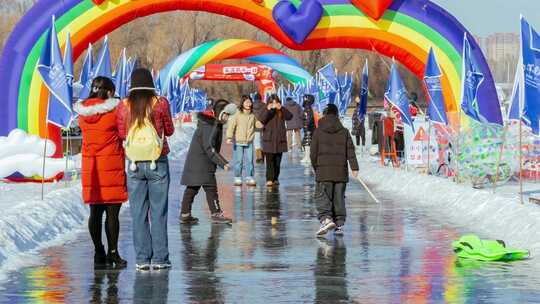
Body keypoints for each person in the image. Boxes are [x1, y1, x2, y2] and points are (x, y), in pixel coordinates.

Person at [116, 68, 175, 271]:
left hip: (133, 162)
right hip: (157, 160)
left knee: (138, 213)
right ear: (151, 83)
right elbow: (170, 130)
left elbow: (122, 133)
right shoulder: (160, 103)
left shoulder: (123, 106)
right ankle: (160, 259)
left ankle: (142, 258)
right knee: (158, 212)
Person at [74, 76, 128, 268]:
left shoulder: (82, 112)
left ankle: (98, 251)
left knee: (94, 212)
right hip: (111, 165)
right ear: (110, 92)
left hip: (92, 167)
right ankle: (113, 253)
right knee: (112, 214)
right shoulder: (115, 110)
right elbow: (123, 133)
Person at [180, 99, 237, 225]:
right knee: (210, 188)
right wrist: (223, 163)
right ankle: (216, 213)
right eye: (226, 114)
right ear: (219, 113)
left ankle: (185, 214)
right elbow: (209, 147)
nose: (227, 118)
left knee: (192, 188)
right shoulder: (210, 126)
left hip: (198, 162)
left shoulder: (213, 124)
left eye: (228, 115)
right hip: (202, 163)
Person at [310, 104, 359, 237]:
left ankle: (326, 219)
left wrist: (316, 168)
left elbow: (313, 153)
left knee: (323, 196)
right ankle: (339, 224)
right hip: (340, 172)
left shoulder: (318, 131)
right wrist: (354, 167)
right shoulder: (344, 131)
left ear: (325, 114)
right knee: (339, 198)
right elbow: (350, 151)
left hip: (323, 172)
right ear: (337, 115)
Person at [259, 94, 293, 187]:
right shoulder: (266, 110)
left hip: (279, 139)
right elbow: (261, 119)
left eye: (276, 102)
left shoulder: (281, 110)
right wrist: (267, 109)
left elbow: (290, 116)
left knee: (277, 162)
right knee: (269, 161)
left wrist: (281, 108)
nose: (274, 104)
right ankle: (269, 179)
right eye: (272, 102)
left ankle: (275, 178)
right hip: (268, 139)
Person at [226, 95, 257, 187]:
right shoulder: (237, 114)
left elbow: (257, 124)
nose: (248, 104)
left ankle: (249, 176)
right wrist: (229, 137)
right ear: (242, 103)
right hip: (239, 141)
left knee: (250, 160)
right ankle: (237, 177)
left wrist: (264, 123)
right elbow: (231, 126)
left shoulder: (253, 115)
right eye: (246, 102)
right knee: (238, 161)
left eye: (250, 102)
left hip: (249, 141)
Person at [301, 94, 316, 163]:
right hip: (307, 128)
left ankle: (308, 157)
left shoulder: (308, 108)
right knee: (307, 142)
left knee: (308, 142)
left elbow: (308, 119)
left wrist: (306, 126)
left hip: (308, 129)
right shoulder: (308, 108)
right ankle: (307, 156)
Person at [252, 93, 265, 163]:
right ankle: (262, 156)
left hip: (255, 126)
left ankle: (259, 157)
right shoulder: (264, 105)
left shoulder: (251, 105)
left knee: (256, 142)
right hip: (263, 126)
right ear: (260, 98)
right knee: (262, 141)